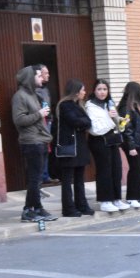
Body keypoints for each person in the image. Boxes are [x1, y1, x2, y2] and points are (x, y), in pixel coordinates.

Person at [11, 65, 57, 222]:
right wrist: (39, 114)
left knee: (37, 179)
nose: (41, 78)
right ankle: (29, 209)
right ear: (30, 78)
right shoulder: (20, 96)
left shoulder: (34, 95)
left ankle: (36, 208)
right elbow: (19, 120)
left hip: (41, 140)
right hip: (31, 142)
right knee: (34, 178)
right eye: (38, 76)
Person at [85, 79, 130, 212]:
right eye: (99, 89)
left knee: (116, 169)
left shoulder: (109, 104)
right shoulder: (90, 106)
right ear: (94, 90)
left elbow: (114, 123)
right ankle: (105, 200)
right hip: (99, 141)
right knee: (104, 170)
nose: (102, 92)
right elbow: (95, 128)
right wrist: (109, 117)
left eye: (105, 89)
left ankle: (116, 198)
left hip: (112, 139)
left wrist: (120, 120)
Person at [55, 79, 93, 217]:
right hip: (69, 147)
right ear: (76, 92)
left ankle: (82, 205)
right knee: (67, 180)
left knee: (79, 179)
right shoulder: (65, 105)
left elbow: (88, 122)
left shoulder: (79, 106)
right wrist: (82, 123)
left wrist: (82, 123)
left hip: (80, 146)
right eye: (82, 90)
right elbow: (75, 121)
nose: (84, 92)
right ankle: (68, 208)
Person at [34, 64, 59, 186]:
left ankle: (45, 175)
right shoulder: (34, 90)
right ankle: (40, 177)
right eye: (45, 73)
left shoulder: (45, 89)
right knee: (41, 150)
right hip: (40, 122)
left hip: (48, 120)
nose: (48, 75)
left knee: (47, 149)